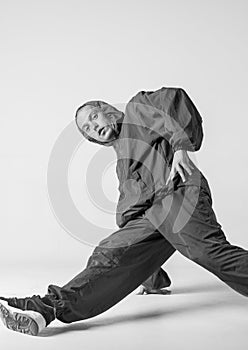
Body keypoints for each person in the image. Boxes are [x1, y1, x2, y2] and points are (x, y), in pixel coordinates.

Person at [1, 87, 248, 336]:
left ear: (107, 110)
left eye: (94, 117)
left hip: (178, 192)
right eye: (86, 128)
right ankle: (43, 309)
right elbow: (131, 216)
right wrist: (149, 275)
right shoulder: (122, 166)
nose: (93, 127)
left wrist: (181, 146)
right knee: (109, 253)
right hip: (152, 216)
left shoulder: (135, 111)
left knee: (207, 253)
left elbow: (173, 100)